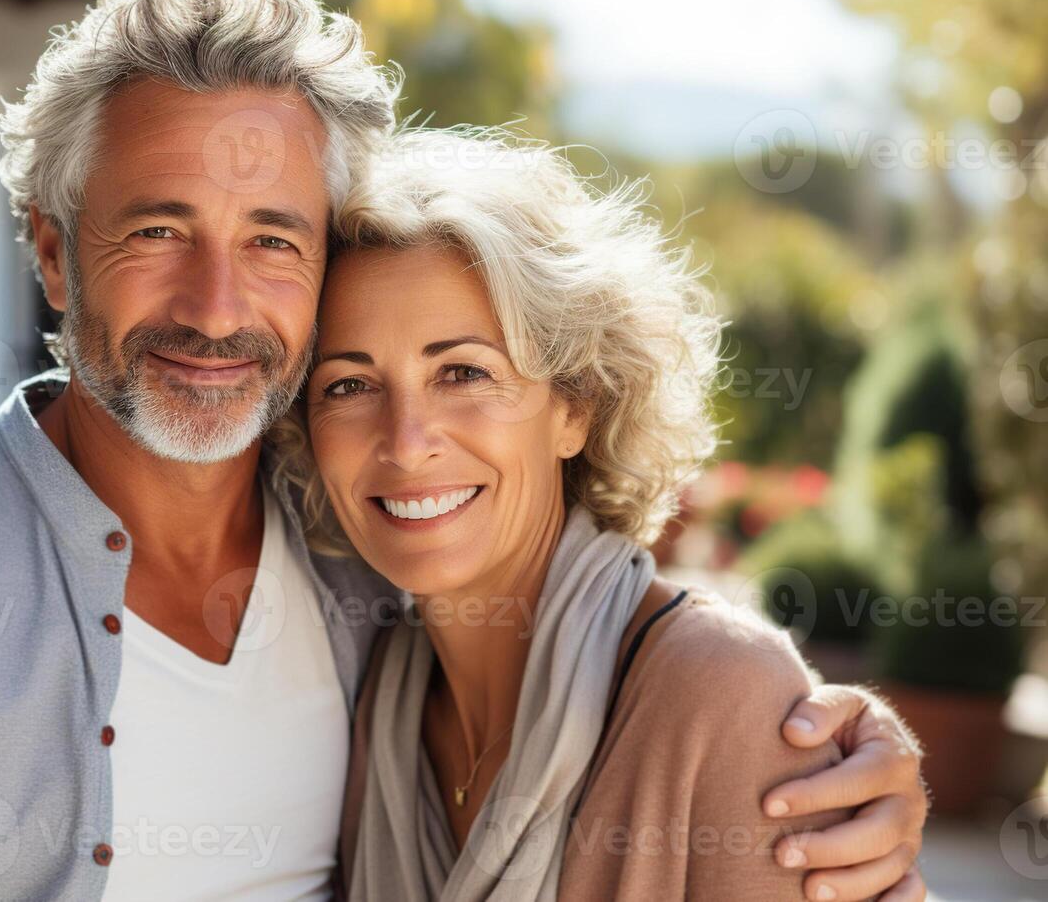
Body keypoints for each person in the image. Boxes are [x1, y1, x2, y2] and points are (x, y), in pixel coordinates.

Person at [0, 0, 927, 902]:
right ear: (52, 252)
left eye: (272, 241)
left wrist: (815, 737)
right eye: (157, 232)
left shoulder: (357, 582)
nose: (216, 307)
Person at [277, 127, 927, 901]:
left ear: (575, 407)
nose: (406, 442)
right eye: (349, 385)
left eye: (462, 372)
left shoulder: (724, 697)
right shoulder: (376, 691)